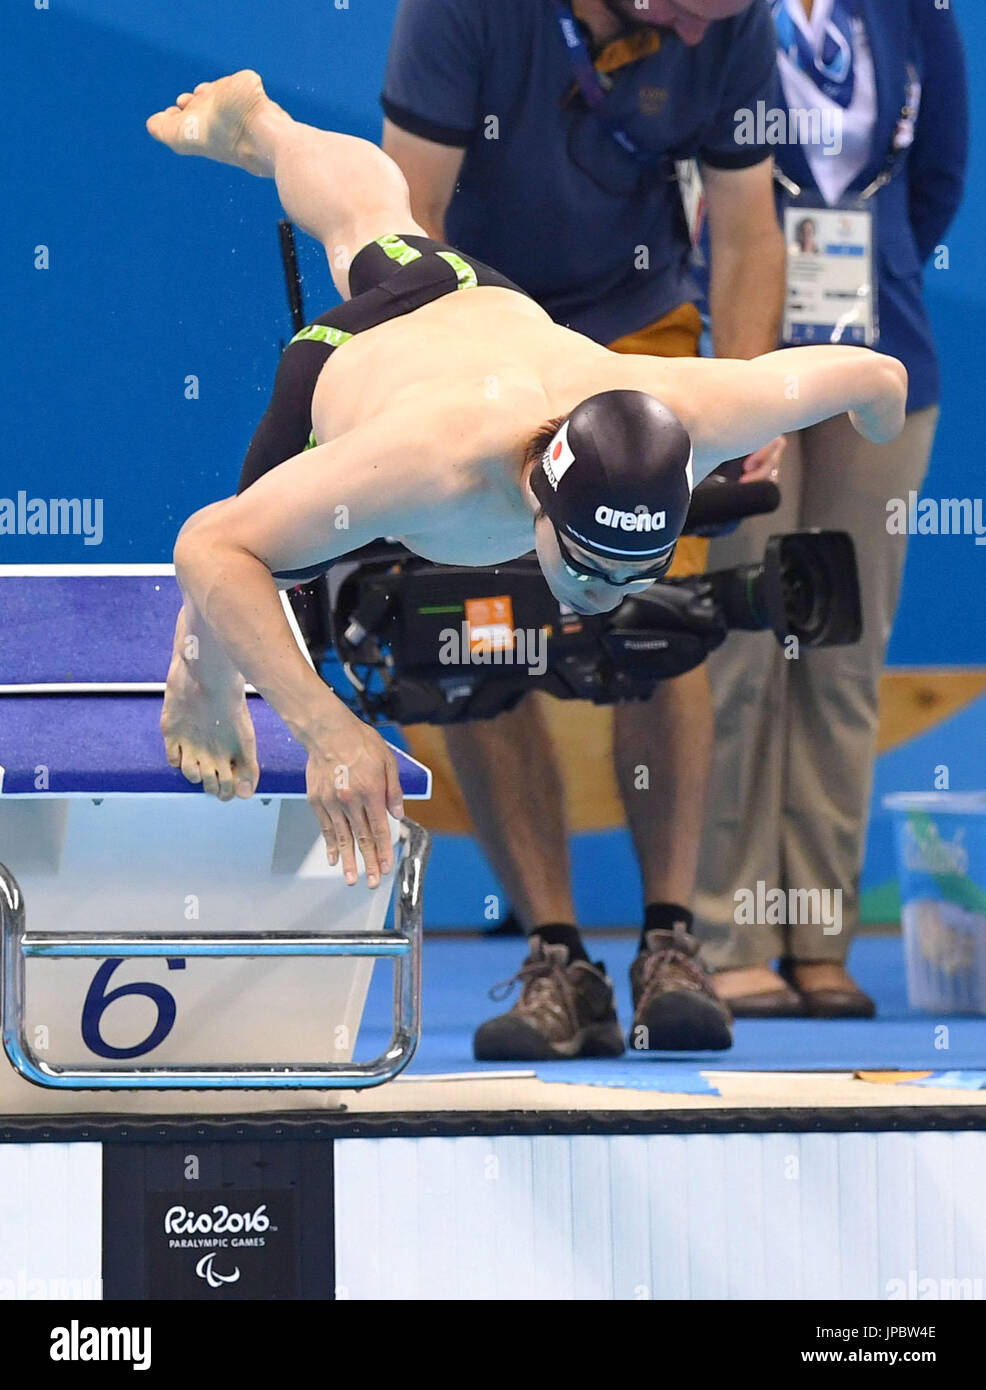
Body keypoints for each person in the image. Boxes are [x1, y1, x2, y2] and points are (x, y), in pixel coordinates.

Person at [146, 71, 908, 1060]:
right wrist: (328, 732)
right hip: (359, 370)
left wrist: (879, 406)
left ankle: (265, 121)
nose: (606, 596)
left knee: (379, 223)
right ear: (542, 505)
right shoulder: (419, 469)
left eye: (629, 571)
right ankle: (202, 676)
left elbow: (863, 373)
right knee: (249, 569)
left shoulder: (690, 410)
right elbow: (207, 541)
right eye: (591, 568)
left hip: (484, 302)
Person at [381, 0, 787, 1056]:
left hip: (635, 327)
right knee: (477, 634)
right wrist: (473, 387)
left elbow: (747, 229)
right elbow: (408, 218)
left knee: (662, 621)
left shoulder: (732, 21)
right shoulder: (461, 13)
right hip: (474, 327)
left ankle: (670, 943)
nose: (698, 37)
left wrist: (748, 398)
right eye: (688, 13)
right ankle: (555, 958)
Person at [694, 0, 968, 1017]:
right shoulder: (716, 11)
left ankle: (818, 936)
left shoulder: (913, 12)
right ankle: (728, 934)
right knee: (742, 654)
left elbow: (936, 177)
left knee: (841, 657)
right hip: (737, 358)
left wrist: (874, 270)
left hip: (878, 350)